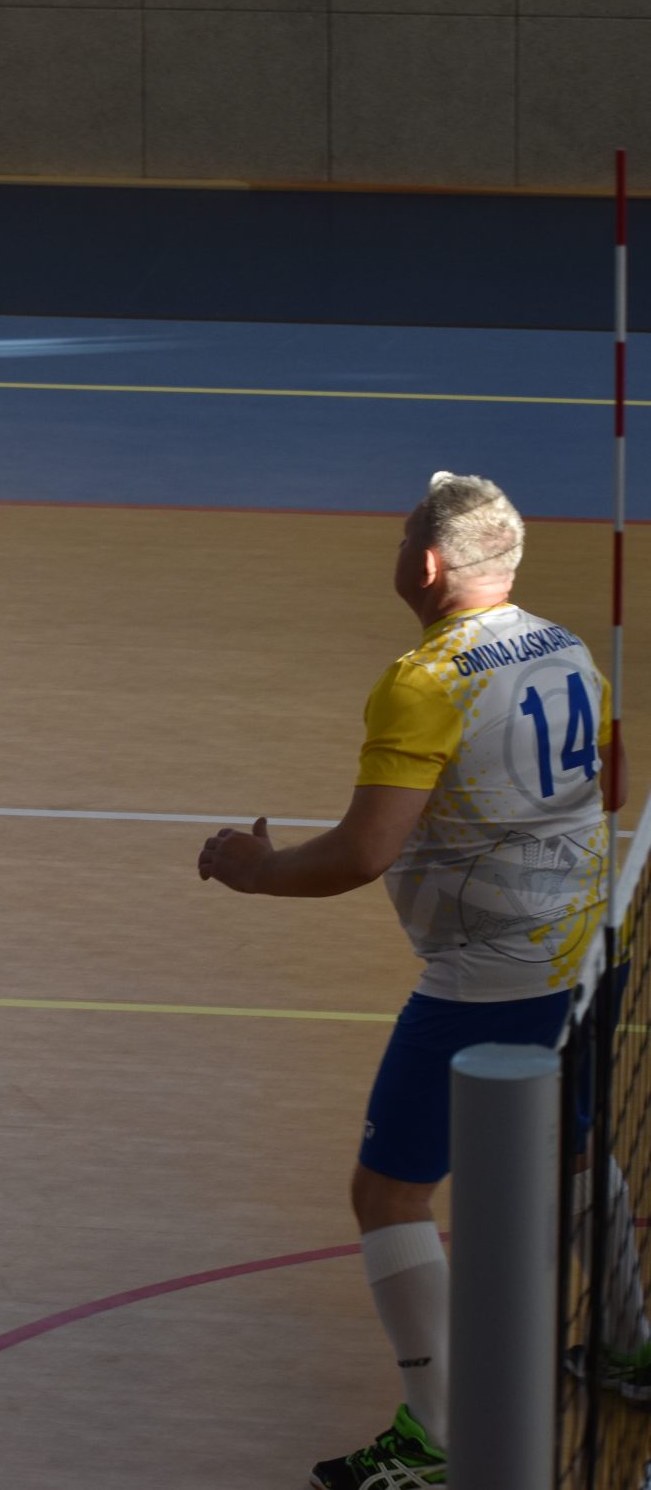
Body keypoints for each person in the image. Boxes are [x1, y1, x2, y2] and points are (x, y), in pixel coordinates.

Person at [199, 471, 650, 1488]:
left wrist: (256, 869)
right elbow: (613, 784)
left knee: (388, 1193)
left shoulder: (425, 680)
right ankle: (630, 1346)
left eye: (405, 534)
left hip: (489, 983)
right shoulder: (565, 645)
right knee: (578, 1143)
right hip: (591, 955)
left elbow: (364, 852)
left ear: (430, 564)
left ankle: (440, 1437)